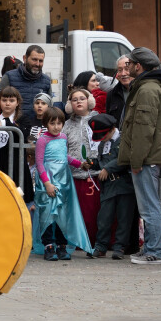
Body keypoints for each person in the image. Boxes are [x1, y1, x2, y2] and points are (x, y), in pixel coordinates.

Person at [119, 47, 161, 265]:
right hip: (148, 158)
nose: (126, 67)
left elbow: (143, 129)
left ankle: (155, 252)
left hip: (146, 160)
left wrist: (136, 161)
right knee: (149, 207)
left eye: (129, 63)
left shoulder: (147, 90)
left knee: (149, 207)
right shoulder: (147, 87)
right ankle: (150, 247)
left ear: (138, 66)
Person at [33, 107, 93, 261]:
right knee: (48, 213)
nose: (56, 126)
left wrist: (80, 164)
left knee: (62, 213)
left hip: (64, 181)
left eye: (59, 123)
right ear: (46, 123)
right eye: (53, 123)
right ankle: (48, 245)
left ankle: (61, 245)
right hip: (48, 181)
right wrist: (46, 183)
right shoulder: (42, 140)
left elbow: (65, 157)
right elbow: (39, 163)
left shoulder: (63, 137)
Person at [87, 114, 135, 260]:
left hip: (124, 185)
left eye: (104, 134)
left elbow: (124, 159)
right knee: (104, 218)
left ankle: (119, 247)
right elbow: (102, 162)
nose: (102, 138)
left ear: (112, 129)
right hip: (108, 186)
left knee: (124, 218)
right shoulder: (103, 143)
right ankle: (101, 246)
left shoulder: (124, 140)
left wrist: (108, 168)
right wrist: (91, 164)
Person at [62, 88, 100, 245]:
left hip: (96, 175)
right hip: (75, 176)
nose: (78, 101)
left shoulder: (98, 120)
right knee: (78, 213)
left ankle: (95, 242)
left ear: (89, 101)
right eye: (74, 99)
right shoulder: (66, 125)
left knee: (94, 213)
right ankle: (78, 242)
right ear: (70, 104)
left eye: (82, 98)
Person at [0, 87, 34, 204]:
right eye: (4, 100)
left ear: (17, 102)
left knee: (18, 201)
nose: (7, 103)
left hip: (17, 167)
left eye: (11, 100)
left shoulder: (23, 119)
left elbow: (23, 133)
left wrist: (3, 124)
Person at [0, 45, 52, 120]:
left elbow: (50, 107)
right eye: (34, 59)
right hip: (14, 127)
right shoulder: (9, 76)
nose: (37, 64)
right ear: (25, 58)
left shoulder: (46, 80)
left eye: (41, 61)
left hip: (36, 128)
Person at [105, 55, 134, 127]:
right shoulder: (112, 94)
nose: (123, 74)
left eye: (127, 69)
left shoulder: (143, 91)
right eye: (120, 70)